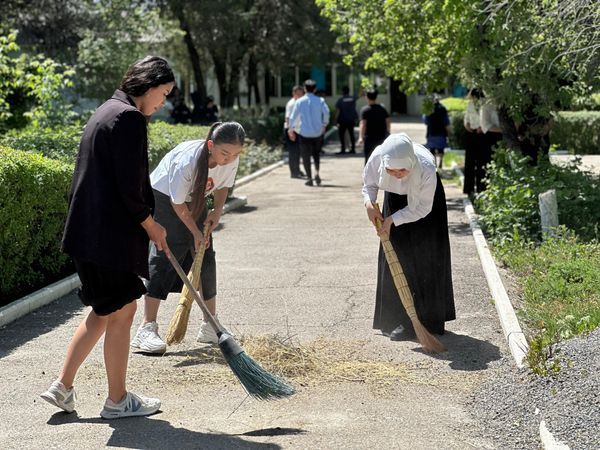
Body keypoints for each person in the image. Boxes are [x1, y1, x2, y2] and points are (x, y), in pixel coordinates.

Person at [40, 56, 175, 418]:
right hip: (105, 238)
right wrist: (151, 224)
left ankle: (62, 386)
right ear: (147, 86)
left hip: (87, 236)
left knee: (104, 311)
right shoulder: (127, 118)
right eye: (163, 93)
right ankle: (117, 401)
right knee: (123, 310)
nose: (163, 103)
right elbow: (129, 187)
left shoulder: (107, 110)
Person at [130, 122, 245, 353]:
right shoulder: (188, 161)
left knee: (205, 255)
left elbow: (220, 186)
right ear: (211, 145)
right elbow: (177, 202)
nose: (229, 159)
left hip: (197, 198)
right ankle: (146, 328)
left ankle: (210, 324)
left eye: (235, 154)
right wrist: (193, 231)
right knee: (166, 252)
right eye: (224, 153)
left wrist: (216, 211)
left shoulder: (230, 158)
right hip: (165, 197)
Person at [362, 133, 455, 341]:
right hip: (394, 200)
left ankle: (430, 319)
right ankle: (400, 319)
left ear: (411, 164)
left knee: (426, 257)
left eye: (402, 170)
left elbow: (422, 208)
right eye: (390, 170)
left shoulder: (426, 168)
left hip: (426, 205)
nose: (396, 174)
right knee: (398, 255)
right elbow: (369, 185)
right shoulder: (378, 156)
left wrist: (393, 219)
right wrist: (369, 203)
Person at [288, 79, 330, 186]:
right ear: (315, 89)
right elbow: (326, 113)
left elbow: (292, 117)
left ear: (305, 88)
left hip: (304, 134)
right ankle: (316, 173)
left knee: (305, 156)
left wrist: (291, 129)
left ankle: (310, 178)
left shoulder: (299, 101)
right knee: (316, 154)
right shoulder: (320, 100)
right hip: (317, 133)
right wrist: (324, 125)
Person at [358, 89, 390, 164]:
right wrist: (388, 131)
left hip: (369, 138)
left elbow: (363, 124)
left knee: (368, 158)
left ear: (367, 97)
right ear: (376, 97)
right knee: (381, 158)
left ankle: (368, 175)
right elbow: (388, 121)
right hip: (381, 137)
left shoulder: (365, 110)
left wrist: (360, 137)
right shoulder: (382, 109)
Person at [462, 88, 484, 195]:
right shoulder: (470, 105)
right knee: (469, 162)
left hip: (481, 133)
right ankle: (468, 189)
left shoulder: (484, 104)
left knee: (480, 162)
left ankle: (480, 188)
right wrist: (467, 125)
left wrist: (481, 127)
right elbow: (466, 117)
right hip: (471, 133)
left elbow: (485, 118)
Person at [479, 98, 503, 192]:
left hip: (505, 137)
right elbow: (485, 126)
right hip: (490, 138)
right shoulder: (486, 106)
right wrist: (503, 130)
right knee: (488, 164)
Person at [423, 94, 450, 169]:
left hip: (431, 132)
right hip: (441, 132)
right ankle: (440, 162)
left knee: (432, 149)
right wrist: (448, 133)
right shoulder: (443, 108)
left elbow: (425, 121)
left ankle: (434, 164)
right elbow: (446, 122)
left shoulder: (429, 109)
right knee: (441, 149)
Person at [284, 85, 306, 178]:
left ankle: (297, 169)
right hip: (291, 130)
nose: (300, 96)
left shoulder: (299, 103)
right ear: (293, 94)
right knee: (293, 152)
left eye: (301, 94)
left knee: (297, 152)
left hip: (297, 130)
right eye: (298, 94)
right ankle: (294, 172)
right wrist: (290, 131)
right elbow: (288, 118)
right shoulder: (292, 103)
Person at [334, 86, 358, 155]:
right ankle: (353, 149)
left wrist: (335, 120)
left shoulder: (340, 100)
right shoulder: (352, 98)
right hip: (351, 119)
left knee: (342, 135)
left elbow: (338, 111)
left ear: (342, 92)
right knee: (351, 134)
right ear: (348, 91)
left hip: (343, 120)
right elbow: (359, 96)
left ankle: (343, 149)